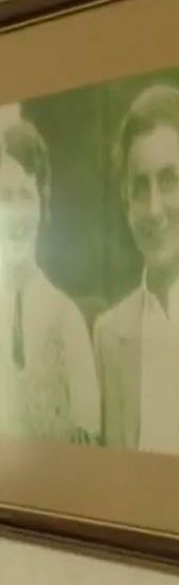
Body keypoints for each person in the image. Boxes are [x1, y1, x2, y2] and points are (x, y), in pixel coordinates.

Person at [93, 84, 179, 458]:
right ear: (126, 202)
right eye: (140, 187)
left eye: (168, 180)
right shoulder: (107, 336)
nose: (154, 210)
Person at [0, 110, 101, 444]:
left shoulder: (67, 319)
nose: (15, 214)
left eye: (25, 197)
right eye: (4, 197)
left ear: (42, 206)